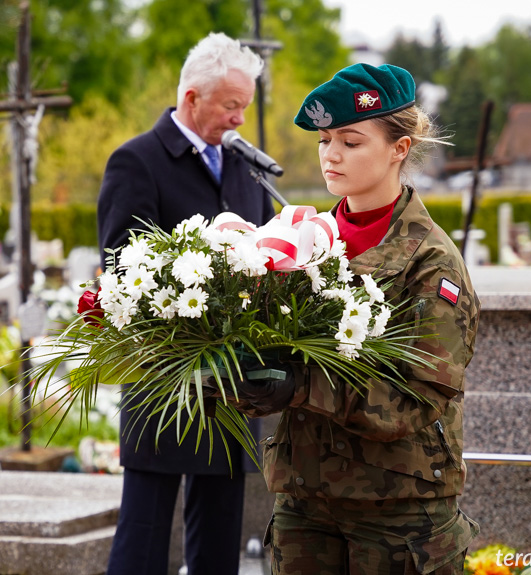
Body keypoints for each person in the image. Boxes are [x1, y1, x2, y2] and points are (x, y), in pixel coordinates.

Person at [206, 63, 480, 574]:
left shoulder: (431, 262)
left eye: (351, 142)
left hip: (398, 512)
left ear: (400, 148)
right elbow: (271, 357)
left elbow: (416, 398)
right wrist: (227, 376)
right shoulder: (300, 242)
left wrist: (298, 386)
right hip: (304, 502)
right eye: (325, 139)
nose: (331, 154)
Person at [97, 32, 276, 575]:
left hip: (231, 383)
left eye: (244, 106)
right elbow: (121, 266)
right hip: (165, 380)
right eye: (231, 106)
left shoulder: (248, 169)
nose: (240, 119)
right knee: (145, 537)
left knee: (220, 539)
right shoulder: (137, 161)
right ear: (193, 98)